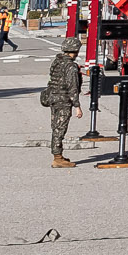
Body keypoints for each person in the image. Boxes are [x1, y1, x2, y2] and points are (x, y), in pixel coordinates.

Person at [40, 34, 80, 169]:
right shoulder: (71, 66)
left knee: (55, 126)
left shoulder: (57, 62)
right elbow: (72, 86)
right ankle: (57, 158)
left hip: (53, 98)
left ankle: (59, 155)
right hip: (63, 100)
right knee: (60, 128)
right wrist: (77, 106)